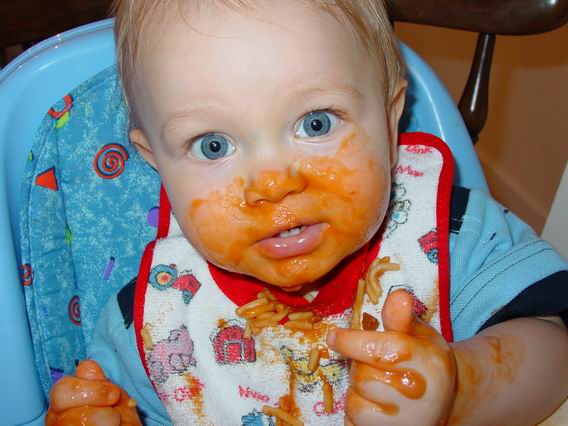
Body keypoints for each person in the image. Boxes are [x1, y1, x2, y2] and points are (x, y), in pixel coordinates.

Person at [46, 1, 568, 425]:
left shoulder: (451, 235)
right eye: (212, 145)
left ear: (391, 122)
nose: (273, 185)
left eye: (316, 123)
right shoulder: (155, 320)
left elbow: (556, 351)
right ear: (155, 161)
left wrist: (460, 388)